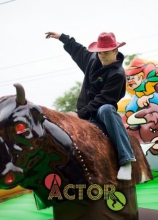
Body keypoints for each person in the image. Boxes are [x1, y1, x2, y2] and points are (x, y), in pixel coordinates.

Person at [45, 31, 136, 180]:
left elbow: (102, 99)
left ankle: (126, 160)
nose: (102, 56)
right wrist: (62, 37)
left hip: (100, 112)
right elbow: (77, 50)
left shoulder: (117, 74)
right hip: (83, 111)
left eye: (106, 52)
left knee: (106, 108)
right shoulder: (92, 60)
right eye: (100, 53)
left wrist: (80, 115)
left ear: (115, 51)